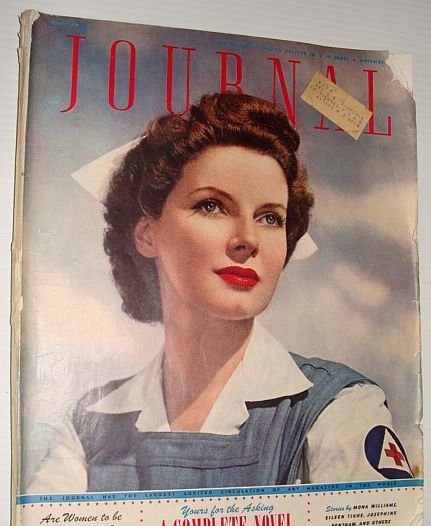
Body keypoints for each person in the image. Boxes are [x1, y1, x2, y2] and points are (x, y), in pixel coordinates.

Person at [28, 92, 412, 493]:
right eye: (212, 206)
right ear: (147, 234)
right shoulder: (88, 425)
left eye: (270, 218)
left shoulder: (340, 408)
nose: (247, 239)